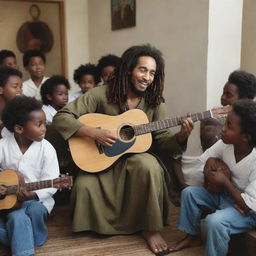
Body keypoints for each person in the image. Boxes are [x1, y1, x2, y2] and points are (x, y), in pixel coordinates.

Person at [53, 44, 194, 254]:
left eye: (153, 73)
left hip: (134, 159)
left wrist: (181, 136)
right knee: (84, 185)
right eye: (143, 70)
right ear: (129, 69)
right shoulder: (100, 94)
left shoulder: (154, 102)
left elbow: (162, 139)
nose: (147, 77)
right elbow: (61, 117)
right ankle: (100, 226)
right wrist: (93, 133)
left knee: (150, 167)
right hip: (100, 159)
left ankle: (150, 228)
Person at [169, 99, 256, 256]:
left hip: (248, 212)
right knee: (189, 193)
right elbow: (204, 161)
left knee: (214, 221)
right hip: (226, 196)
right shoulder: (225, 144)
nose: (222, 129)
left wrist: (225, 182)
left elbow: (248, 206)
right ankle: (192, 236)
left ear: (245, 137)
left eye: (229, 126)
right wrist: (211, 168)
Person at [0, 96, 59, 256]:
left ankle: (23, 248)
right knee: (16, 216)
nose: (44, 128)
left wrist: (32, 194)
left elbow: (52, 183)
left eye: (44, 123)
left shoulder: (47, 149)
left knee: (20, 216)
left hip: (36, 200)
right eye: (38, 124)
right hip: (7, 202)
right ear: (19, 129)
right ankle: (32, 238)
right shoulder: (2, 146)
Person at [172, 118, 222, 193]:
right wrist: (183, 185)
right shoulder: (193, 150)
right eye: (202, 127)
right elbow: (176, 159)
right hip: (187, 189)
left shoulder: (221, 152)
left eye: (209, 127)